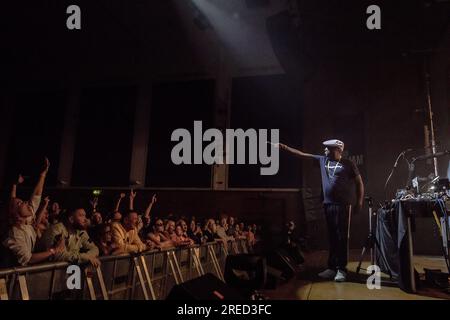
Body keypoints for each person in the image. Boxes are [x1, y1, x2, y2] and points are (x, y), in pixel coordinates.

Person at [279, 139, 364, 282]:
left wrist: (359, 202)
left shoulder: (349, 164)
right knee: (332, 236)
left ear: (338, 150)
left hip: (344, 205)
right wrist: (286, 147)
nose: (325, 151)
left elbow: (359, 183)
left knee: (342, 238)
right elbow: (302, 155)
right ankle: (332, 268)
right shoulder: (323, 160)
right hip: (328, 204)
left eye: (328, 148)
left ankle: (341, 270)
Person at [1, 159, 62, 267]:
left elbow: (36, 195)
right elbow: (29, 259)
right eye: (21, 203)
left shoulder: (26, 220)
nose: (25, 202)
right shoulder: (15, 234)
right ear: (16, 215)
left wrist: (43, 174)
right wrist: (54, 251)